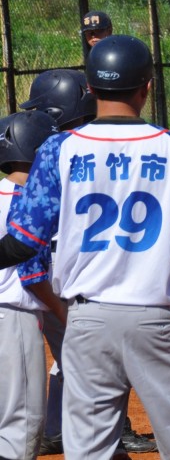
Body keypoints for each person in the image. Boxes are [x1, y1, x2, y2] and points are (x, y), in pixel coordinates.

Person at [0, 34, 170, 459]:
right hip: (157, 321)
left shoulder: (58, 150)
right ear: (147, 87)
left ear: (90, 89)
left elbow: (22, 244)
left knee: (89, 450)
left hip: (86, 322)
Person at [19, 68, 158, 455]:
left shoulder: (50, 149)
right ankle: (111, 435)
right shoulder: (77, 149)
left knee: (71, 358)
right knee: (103, 359)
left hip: (38, 276)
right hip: (66, 280)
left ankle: (53, 428)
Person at [0, 110, 62, 460]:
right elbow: (31, 274)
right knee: (21, 426)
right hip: (14, 316)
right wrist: (61, 311)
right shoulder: (30, 200)